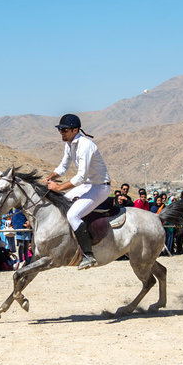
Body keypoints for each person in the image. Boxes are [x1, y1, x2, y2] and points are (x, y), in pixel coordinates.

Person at [43, 113, 111, 269]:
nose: (61, 133)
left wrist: (58, 187)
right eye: (60, 130)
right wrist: (49, 178)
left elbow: (81, 176)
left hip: (100, 186)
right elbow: (63, 167)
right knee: (63, 203)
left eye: (64, 130)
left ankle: (88, 255)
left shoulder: (85, 145)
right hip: (88, 185)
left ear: (75, 130)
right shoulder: (69, 144)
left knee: (73, 215)